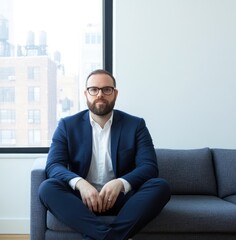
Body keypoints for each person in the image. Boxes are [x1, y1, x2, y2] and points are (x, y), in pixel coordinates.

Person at [38, 69, 171, 240]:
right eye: (94, 89)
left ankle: (102, 236)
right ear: (86, 94)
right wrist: (81, 184)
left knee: (160, 186)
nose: (100, 94)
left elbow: (149, 167)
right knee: (47, 188)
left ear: (115, 93)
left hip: (122, 200)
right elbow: (54, 166)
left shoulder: (135, 125)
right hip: (82, 200)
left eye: (106, 89)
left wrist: (121, 183)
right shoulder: (67, 125)